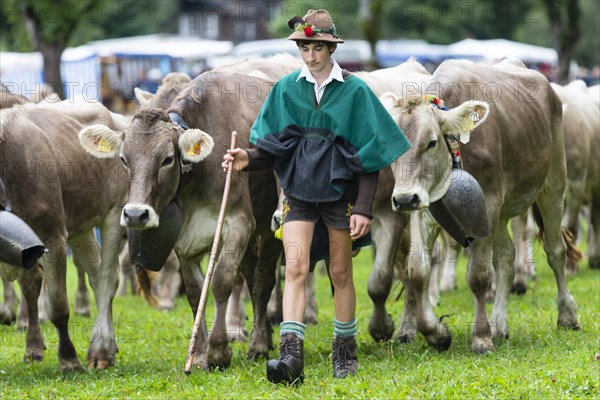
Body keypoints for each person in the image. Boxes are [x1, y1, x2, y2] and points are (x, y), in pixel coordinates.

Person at [222, 9, 410, 384]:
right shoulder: (286, 89)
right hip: (298, 197)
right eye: (305, 47)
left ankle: (345, 352)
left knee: (340, 272)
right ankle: (292, 357)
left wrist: (363, 209)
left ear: (331, 47)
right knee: (295, 267)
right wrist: (248, 158)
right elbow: (276, 149)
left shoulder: (355, 91)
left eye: (318, 47)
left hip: (340, 199)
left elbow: (370, 157)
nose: (310, 55)